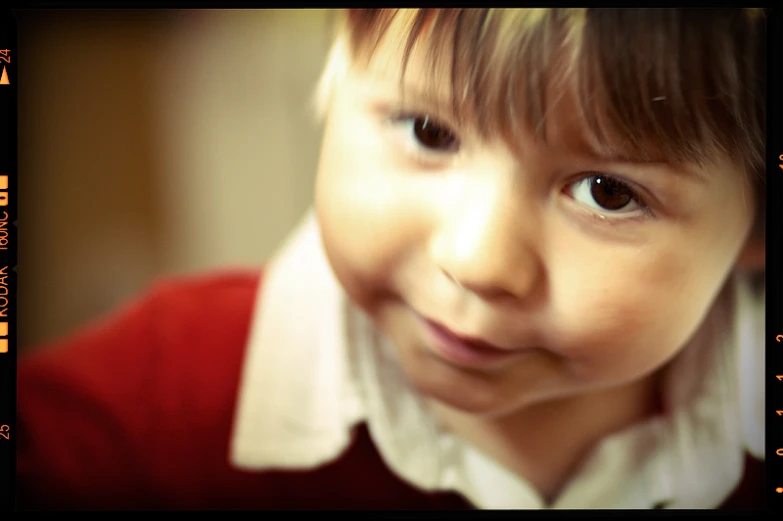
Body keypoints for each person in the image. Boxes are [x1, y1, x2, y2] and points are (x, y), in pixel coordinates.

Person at [16, 8, 767, 510]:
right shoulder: (150, 403)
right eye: (429, 132)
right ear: (340, 68)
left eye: (606, 192)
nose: (474, 260)